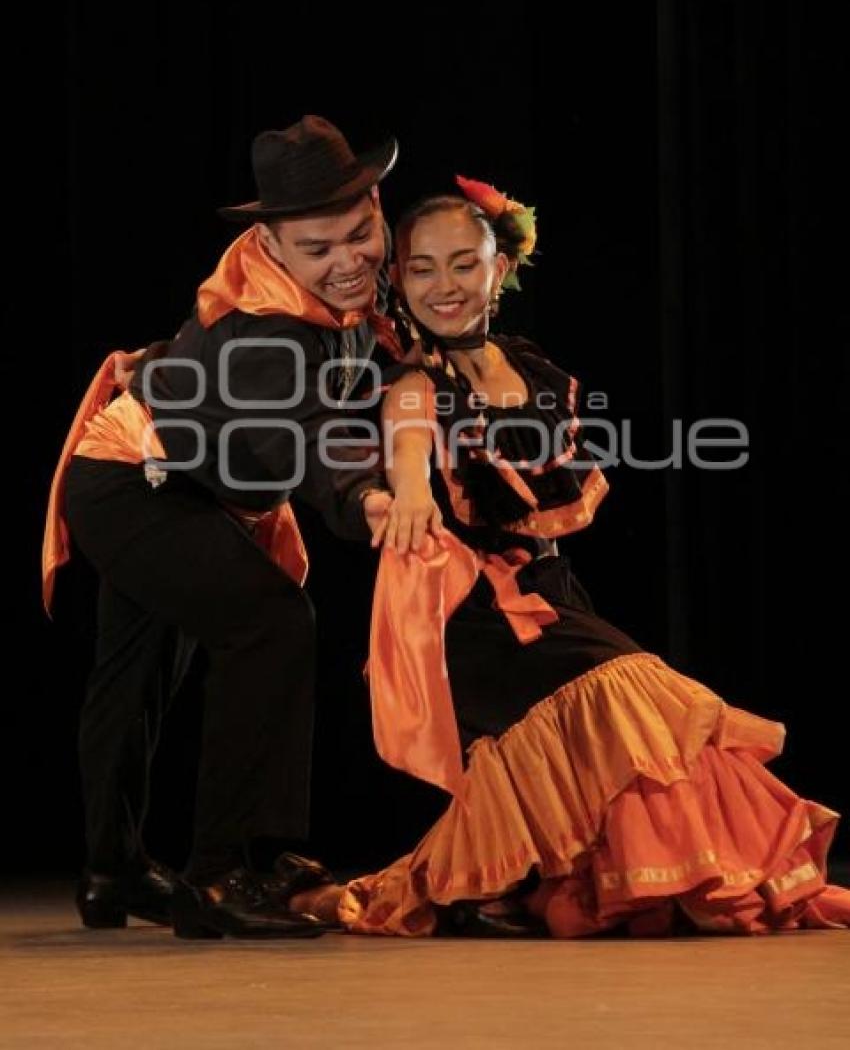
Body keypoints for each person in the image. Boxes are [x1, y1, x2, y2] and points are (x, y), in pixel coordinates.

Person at [298, 175, 850, 938]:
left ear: (500, 267)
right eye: (422, 268)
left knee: (637, 726)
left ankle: (527, 884)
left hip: (550, 591)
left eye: (464, 262)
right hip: (469, 613)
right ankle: (525, 883)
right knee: (640, 695)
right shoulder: (412, 377)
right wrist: (411, 487)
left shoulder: (530, 366)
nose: (445, 285)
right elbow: (412, 432)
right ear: (397, 279)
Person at [42, 114, 415, 940]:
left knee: (137, 671)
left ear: (378, 209)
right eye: (319, 249)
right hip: (134, 485)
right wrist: (365, 499)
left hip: (189, 483)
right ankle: (223, 869)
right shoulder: (267, 330)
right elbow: (310, 427)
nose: (348, 260)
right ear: (274, 248)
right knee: (273, 623)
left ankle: (112, 867)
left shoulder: (338, 288)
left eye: (360, 234)